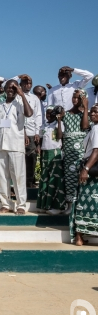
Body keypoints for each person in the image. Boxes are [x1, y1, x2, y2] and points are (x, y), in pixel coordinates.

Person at [0, 80, 33, 214]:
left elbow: (29, 113)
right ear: (4, 88)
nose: (11, 90)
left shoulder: (20, 104)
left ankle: (21, 205)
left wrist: (22, 94)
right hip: (1, 145)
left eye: (14, 88)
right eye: (9, 87)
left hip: (15, 145)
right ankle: (6, 204)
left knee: (18, 176)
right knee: (2, 176)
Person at [72, 104, 98, 245]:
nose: (93, 114)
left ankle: (79, 236)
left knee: (85, 202)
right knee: (86, 203)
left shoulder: (97, 129)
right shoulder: (93, 128)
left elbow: (96, 151)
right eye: (92, 111)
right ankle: (79, 237)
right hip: (89, 167)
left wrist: (86, 168)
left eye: (96, 112)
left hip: (91, 168)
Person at [62, 89, 90, 213]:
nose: (75, 100)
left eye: (78, 98)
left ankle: (78, 204)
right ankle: (69, 205)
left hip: (80, 151)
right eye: (74, 97)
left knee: (78, 175)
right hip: (68, 150)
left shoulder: (87, 115)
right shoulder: (66, 114)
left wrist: (85, 108)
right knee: (68, 176)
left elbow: (84, 127)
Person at [36, 106, 66, 215]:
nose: (49, 115)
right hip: (45, 154)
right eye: (47, 114)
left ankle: (57, 206)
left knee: (55, 179)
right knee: (45, 178)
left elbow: (59, 136)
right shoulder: (43, 126)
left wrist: (58, 120)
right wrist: (38, 146)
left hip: (55, 153)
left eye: (51, 114)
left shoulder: (59, 124)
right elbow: (40, 139)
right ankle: (44, 204)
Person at [19, 75, 42, 187]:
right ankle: (18, 185)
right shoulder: (16, 97)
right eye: (25, 83)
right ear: (21, 83)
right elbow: (5, 84)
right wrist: (19, 76)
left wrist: (37, 132)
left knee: (31, 159)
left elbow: (38, 115)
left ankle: (29, 183)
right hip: (18, 133)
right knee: (19, 159)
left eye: (29, 83)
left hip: (32, 132)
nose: (27, 85)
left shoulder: (35, 98)